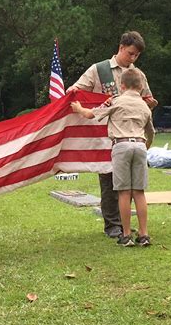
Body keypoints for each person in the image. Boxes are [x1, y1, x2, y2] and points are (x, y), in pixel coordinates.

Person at [67, 31, 158, 238]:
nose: (132, 59)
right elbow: (78, 89)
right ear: (121, 47)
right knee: (109, 180)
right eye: (130, 53)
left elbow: (146, 100)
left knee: (133, 186)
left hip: (129, 133)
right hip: (103, 133)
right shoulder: (99, 69)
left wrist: (151, 104)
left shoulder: (139, 75)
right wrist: (72, 91)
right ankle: (113, 225)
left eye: (136, 56)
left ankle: (125, 226)